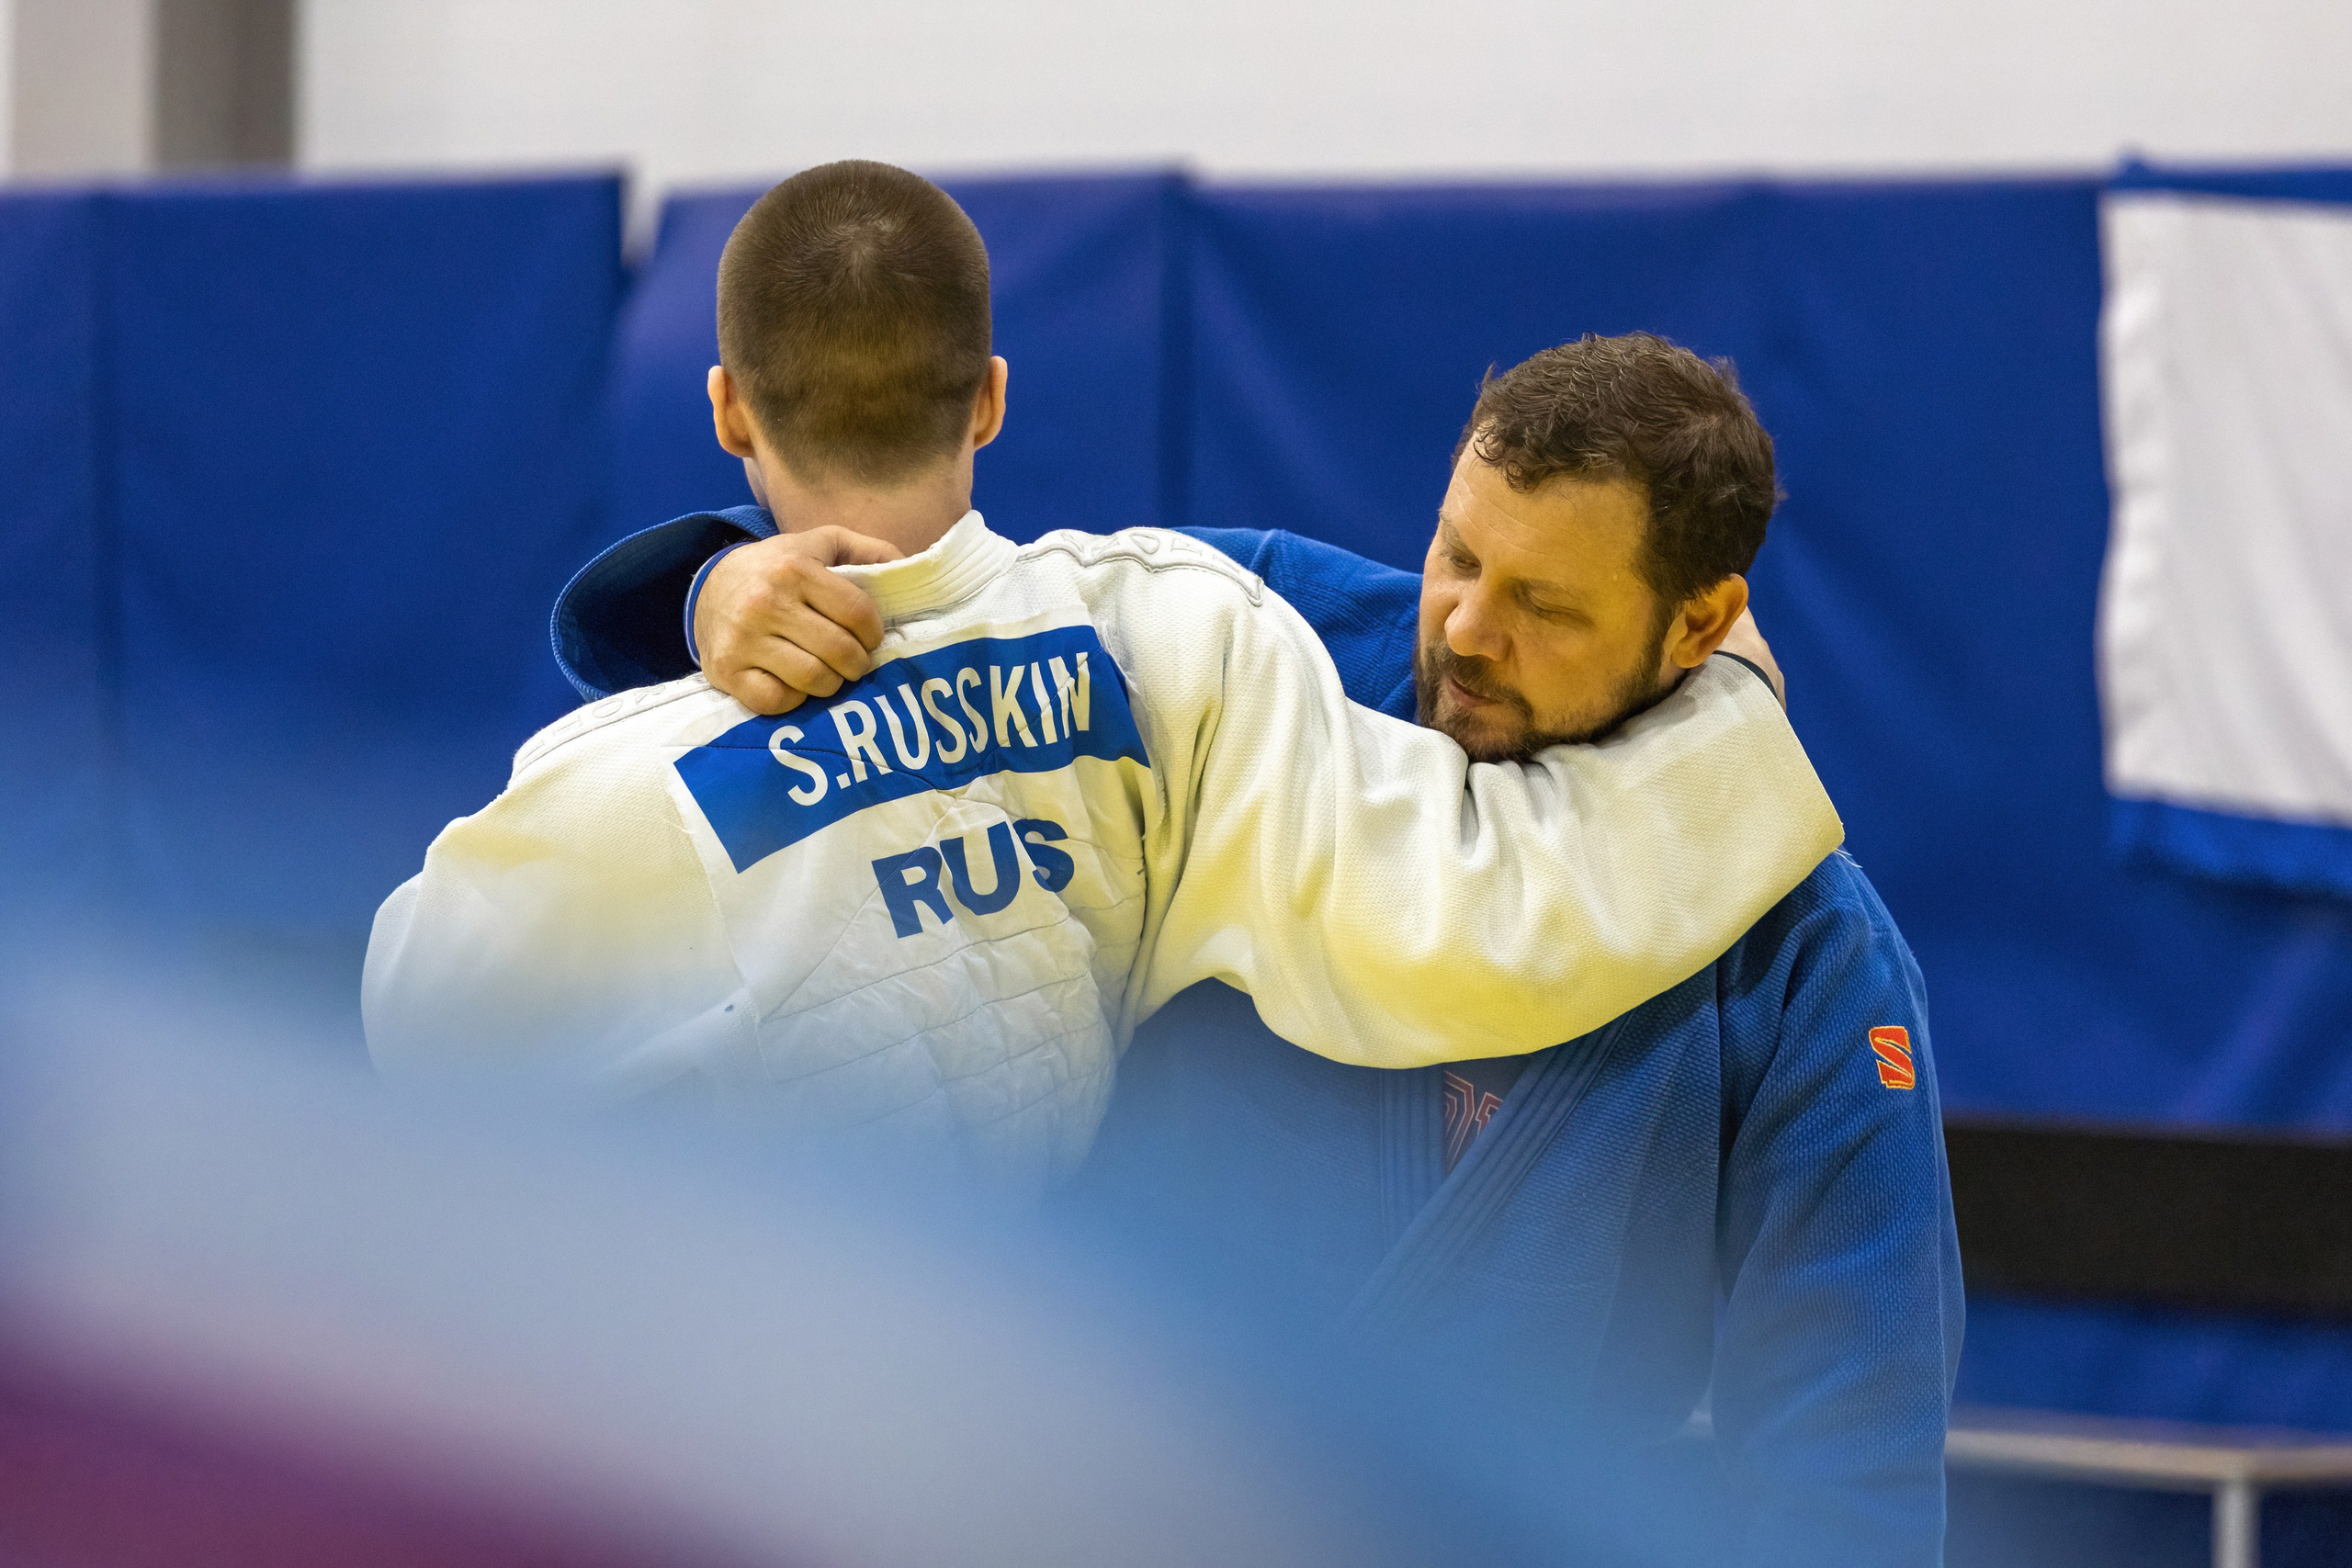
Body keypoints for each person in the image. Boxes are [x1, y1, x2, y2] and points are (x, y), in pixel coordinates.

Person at [558, 325, 1962, 1564]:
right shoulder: (1251, 647)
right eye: (1458, 555)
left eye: (1546, 605)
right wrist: (714, 593)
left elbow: (1847, 1463)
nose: (1468, 629)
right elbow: (956, 627)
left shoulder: (1803, 952)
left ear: (1702, 625)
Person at [362, 164, 1840, 1198]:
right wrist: (1732, 718)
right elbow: (1494, 907)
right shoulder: (1171, 637)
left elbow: (418, 1022)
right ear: (993, 394)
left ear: (728, 405)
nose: (1463, 631)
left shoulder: (616, 784)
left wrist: (695, 595)